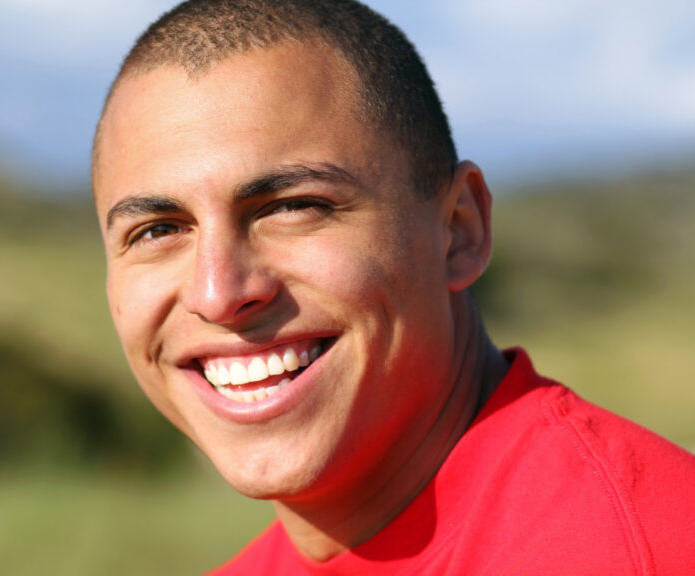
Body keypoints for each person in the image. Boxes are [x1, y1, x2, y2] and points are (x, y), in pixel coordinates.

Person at [91, 1, 695, 573]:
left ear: (459, 231)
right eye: (158, 230)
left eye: (293, 206)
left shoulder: (644, 549)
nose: (219, 293)